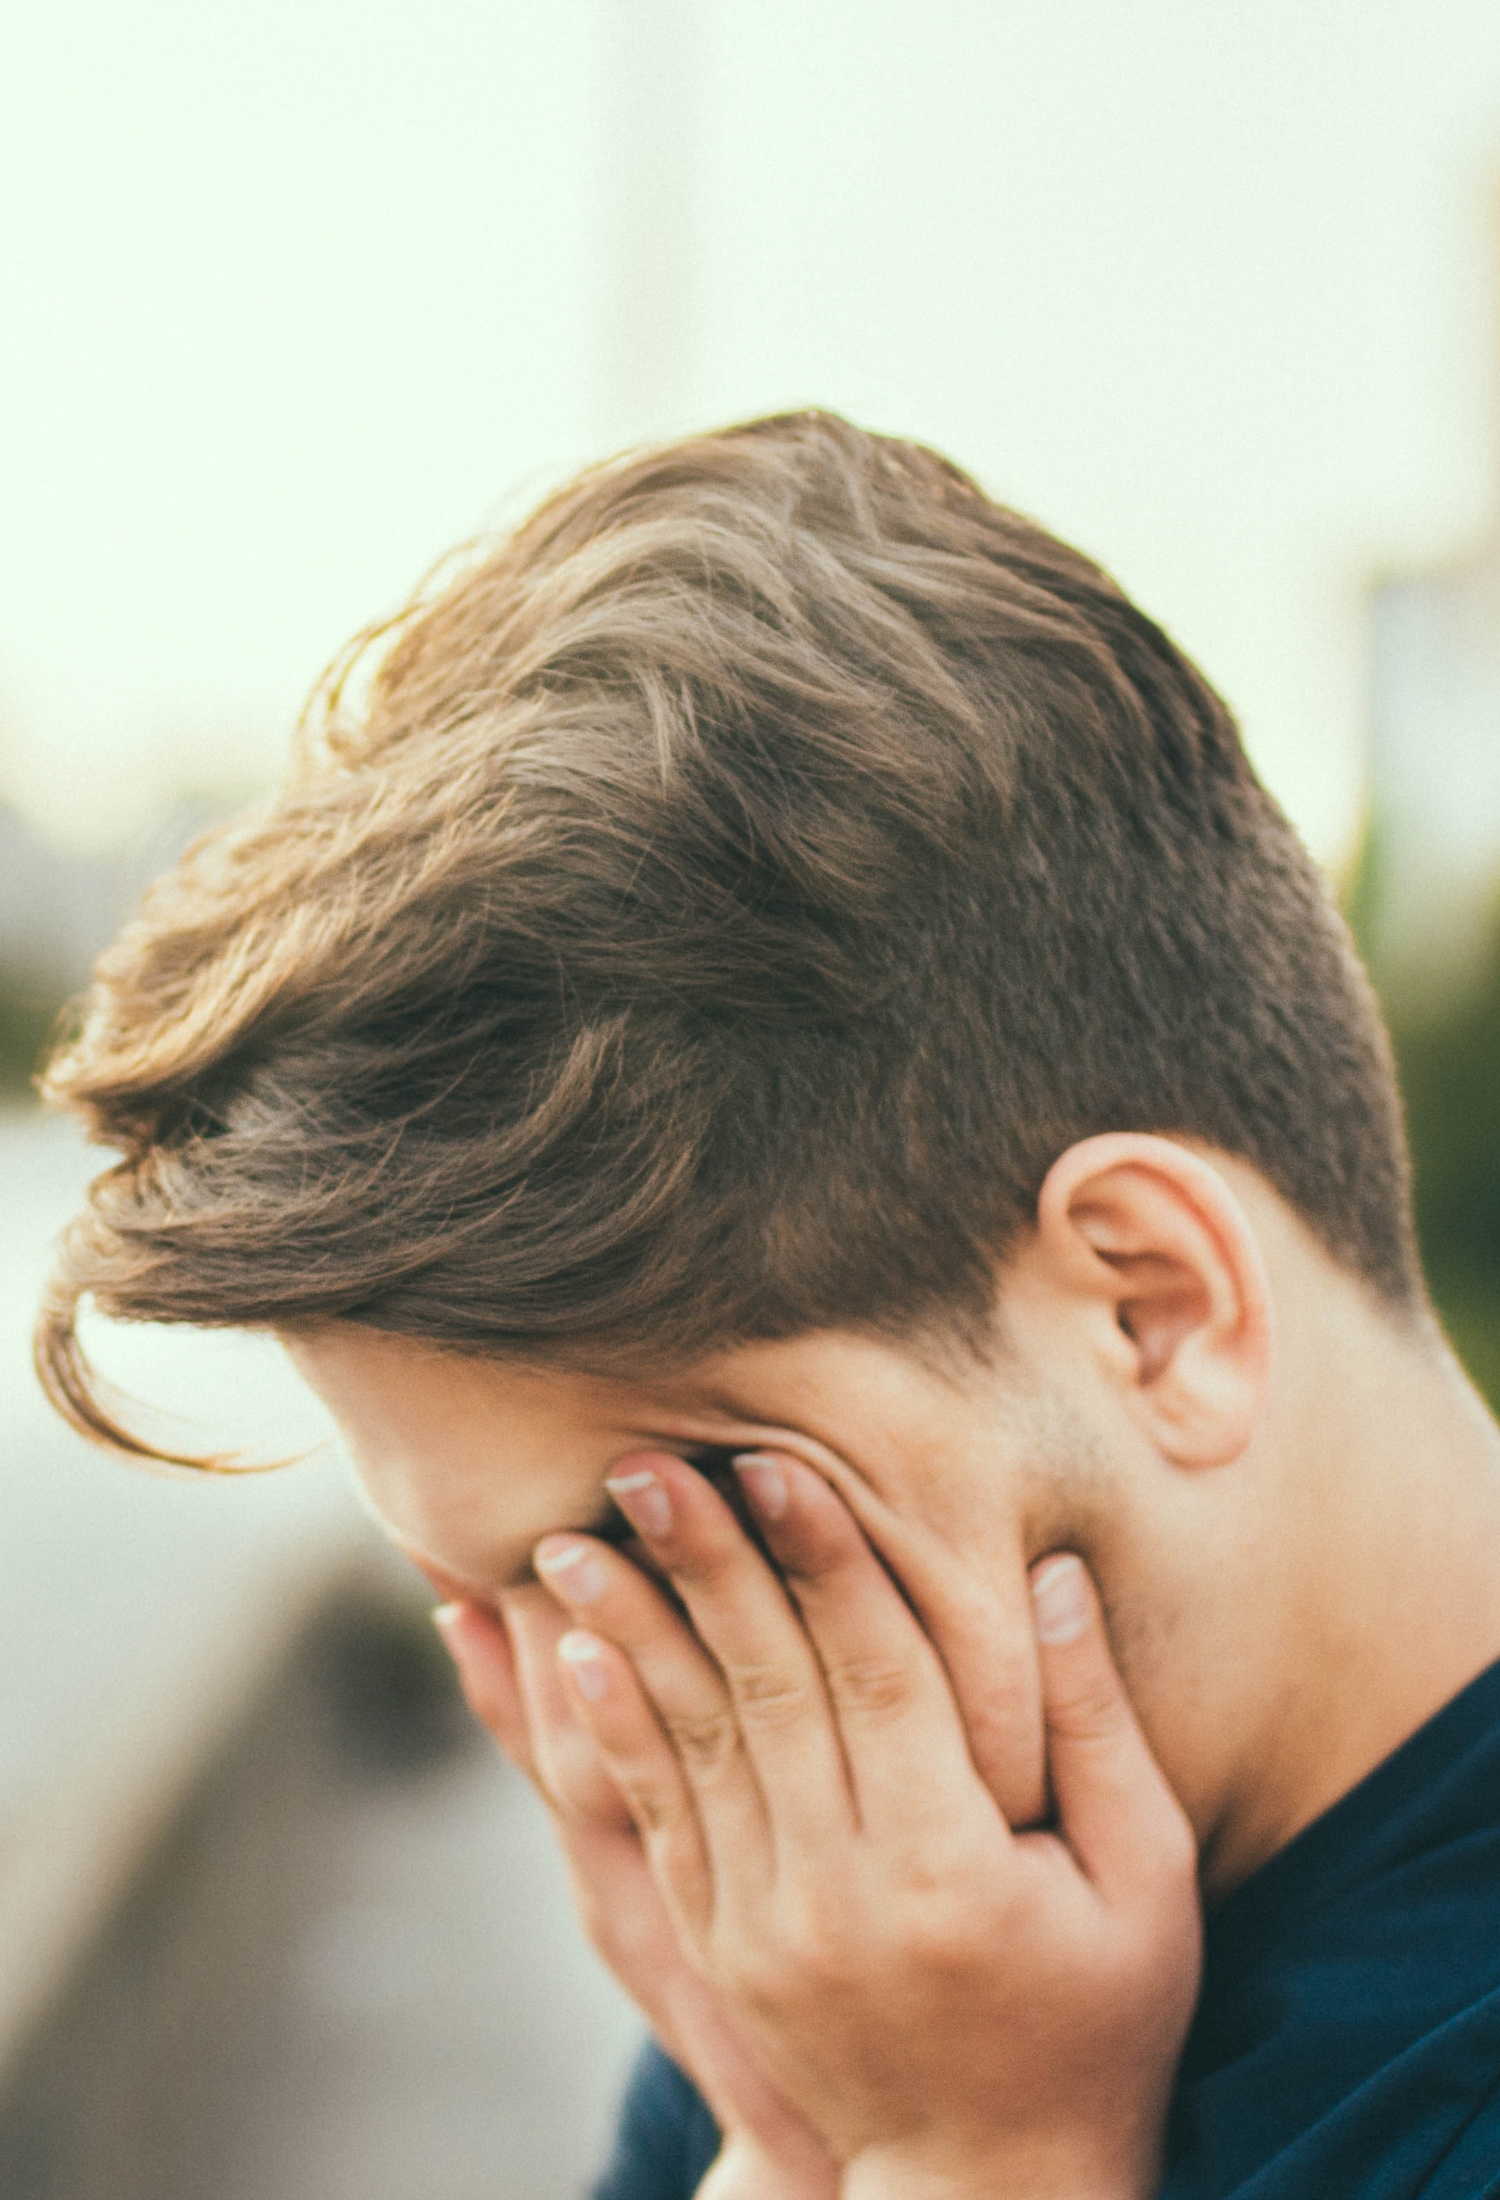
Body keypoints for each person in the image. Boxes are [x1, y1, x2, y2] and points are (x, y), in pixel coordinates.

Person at [35, 412, 1500, 2198]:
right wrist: (801, 2141)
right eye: (505, 1602)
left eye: (668, 1547)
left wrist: (978, 2161)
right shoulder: (870, 1965)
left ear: (1152, 1312)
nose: (605, 1733)